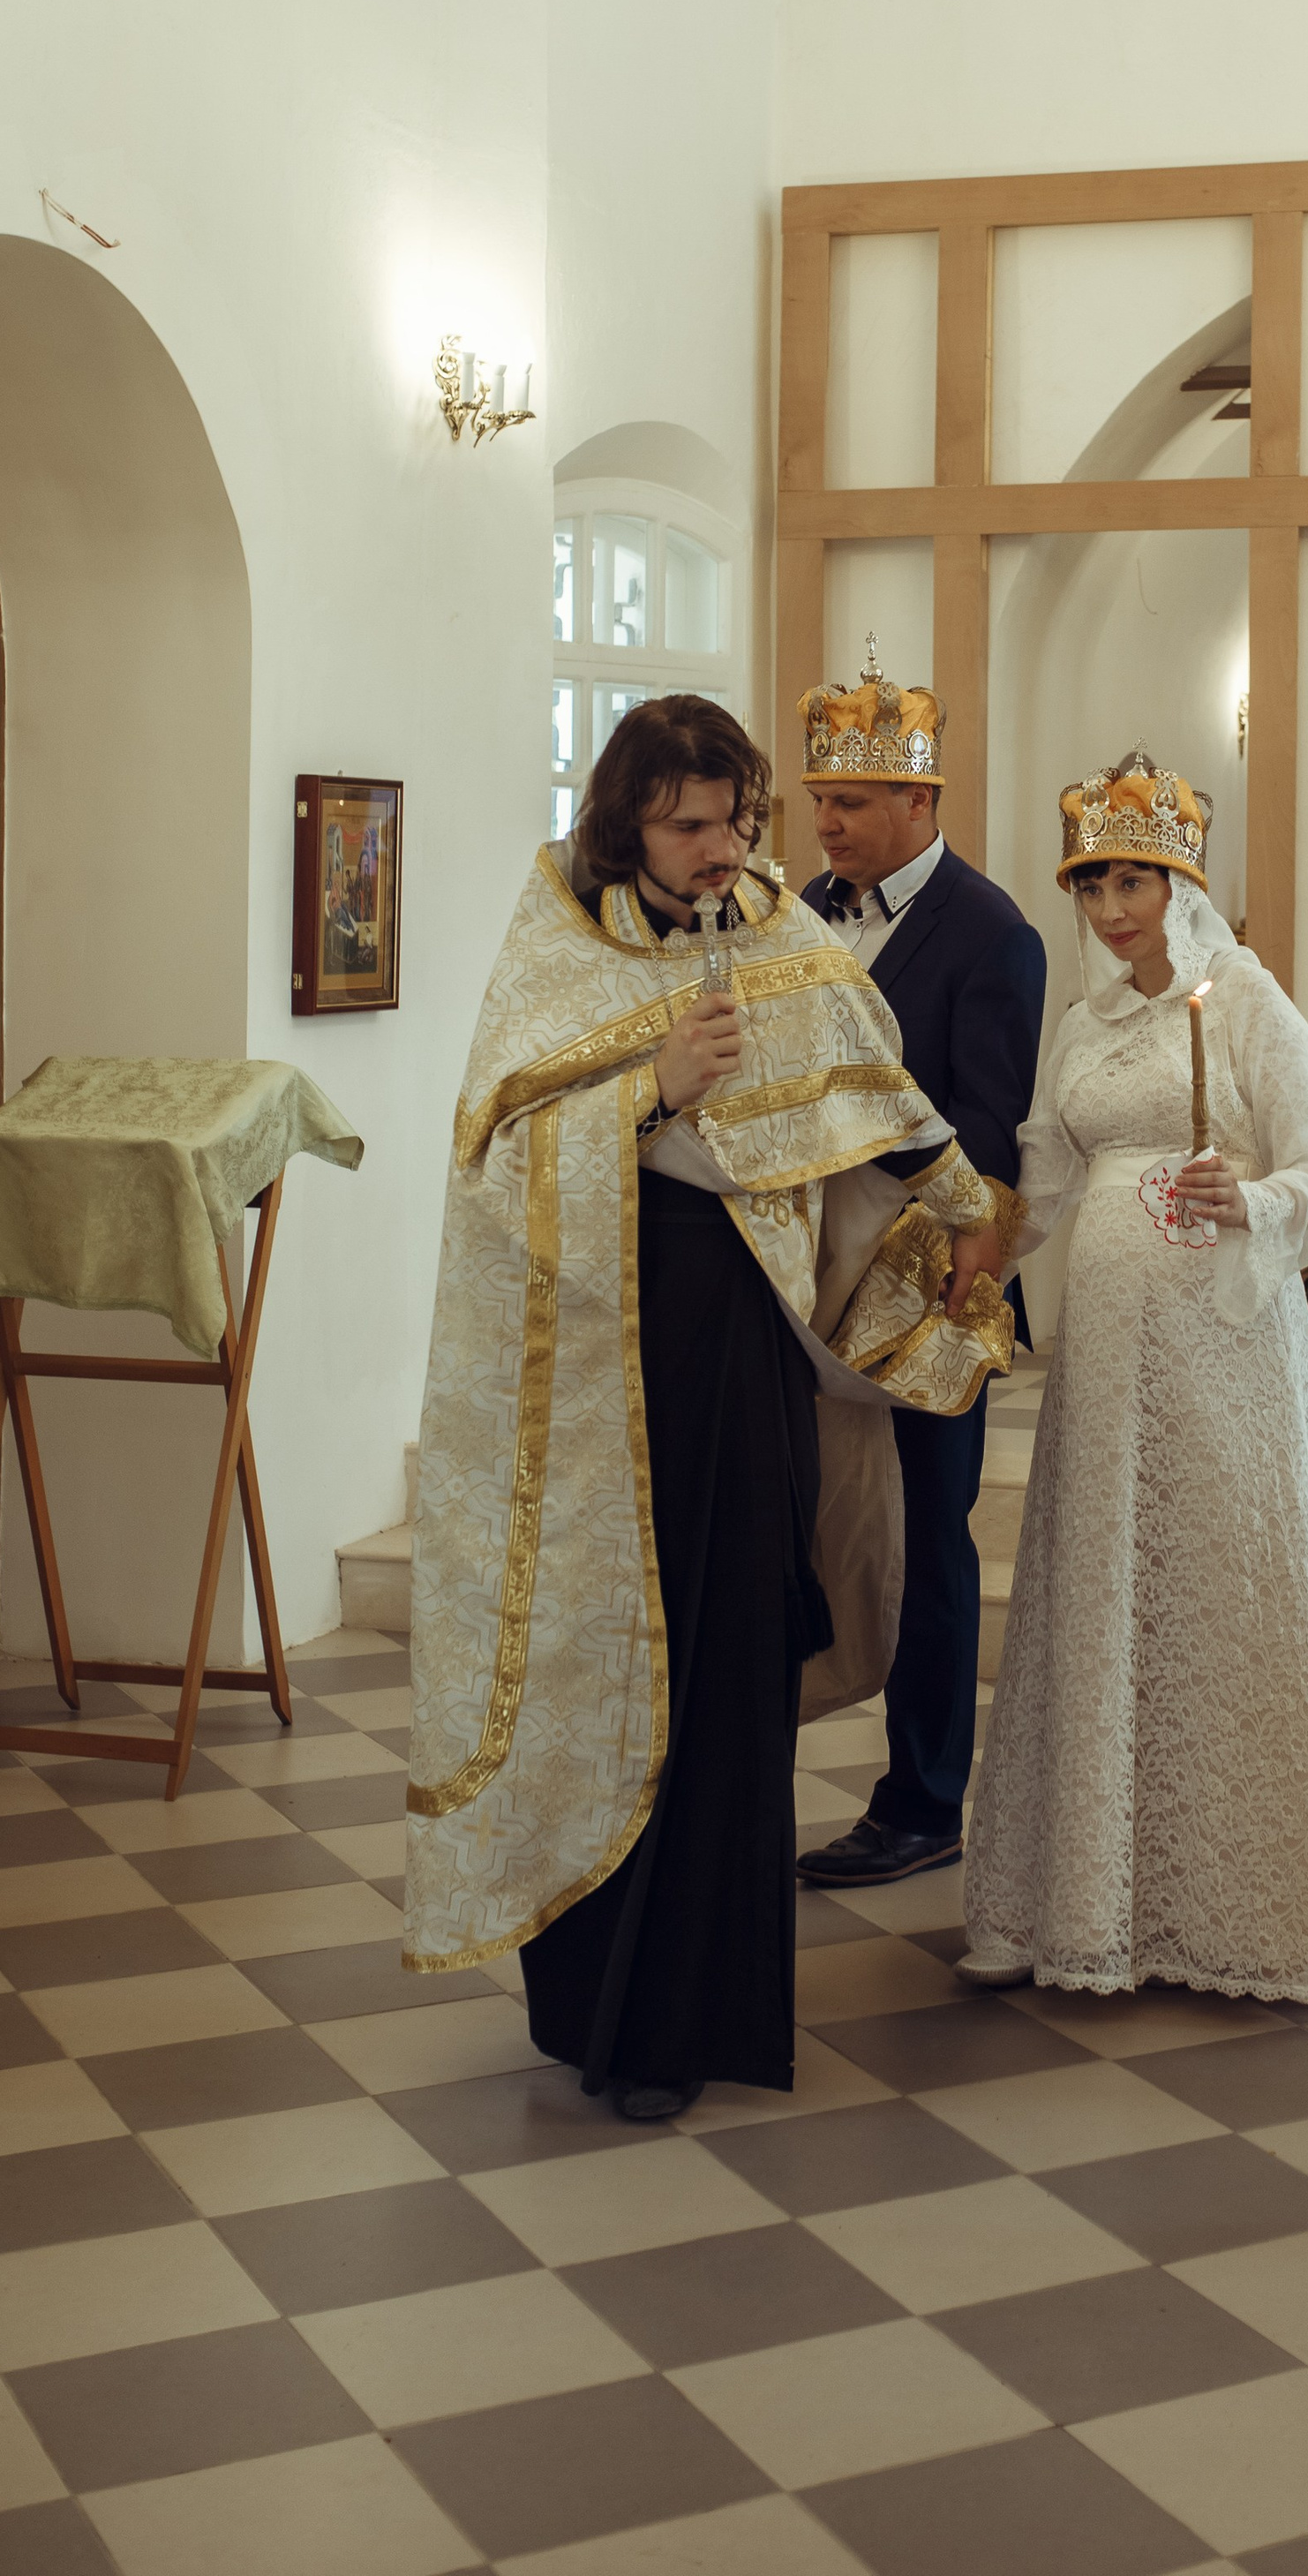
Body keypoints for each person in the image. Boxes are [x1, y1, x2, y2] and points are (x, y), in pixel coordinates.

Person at [403, 696, 1005, 2120]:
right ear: (627, 818)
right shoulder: (560, 941)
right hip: (613, 1358)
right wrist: (647, 1096)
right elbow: (492, 1151)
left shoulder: (774, 923)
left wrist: (970, 1207)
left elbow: (874, 1080)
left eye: (738, 818)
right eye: (690, 824)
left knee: (737, 1652)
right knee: (624, 1671)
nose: (722, 848)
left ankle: (724, 2005)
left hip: (745, 1356)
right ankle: (626, 2024)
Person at [959, 747, 1308, 2006]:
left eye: (1134, 879)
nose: (1112, 907)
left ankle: (1261, 1908)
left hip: (1225, 1350)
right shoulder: (1089, 1021)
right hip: (1108, 1366)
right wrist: (963, 1267)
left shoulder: (1251, 1007)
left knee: (1231, 1588)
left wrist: (1256, 1194)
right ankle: (1098, 1897)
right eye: (1092, 884)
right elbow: (1048, 1187)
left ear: (1182, 878)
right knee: (1108, 1592)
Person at [791, 638, 1047, 1889]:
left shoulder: (992, 931)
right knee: (813, 1518)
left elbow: (994, 1123)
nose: (825, 823)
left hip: (933, 1278)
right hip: (802, 1271)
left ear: (920, 803)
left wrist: (972, 1261)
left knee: (930, 1532)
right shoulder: (795, 914)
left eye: (848, 802)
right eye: (818, 800)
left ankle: (925, 1796)